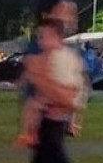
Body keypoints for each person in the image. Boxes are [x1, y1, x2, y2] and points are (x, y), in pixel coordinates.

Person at [16, 0, 83, 148]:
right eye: (61, 11)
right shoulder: (43, 46)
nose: (67, 18)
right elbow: (36, 85)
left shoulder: (62, 49)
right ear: (47, 15)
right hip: (46, 115)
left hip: (51, 115)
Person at [27, 18, 83, 163]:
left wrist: (41, 80)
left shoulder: (64, 60)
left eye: (43, 36)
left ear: (55, 36)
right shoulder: (47, 58)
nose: (40, 41)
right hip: (46, 122)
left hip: (55, 122)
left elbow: (70, 98)